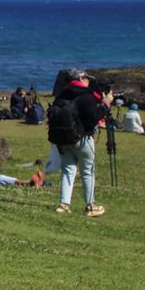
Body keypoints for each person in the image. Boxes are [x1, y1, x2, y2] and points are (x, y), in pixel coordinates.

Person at [51, 69, 112, 216]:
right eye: (87, 78)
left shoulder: (61, 95)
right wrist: (105, 104)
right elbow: (93, 117)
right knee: (88, 172)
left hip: (62, 138)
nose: (89, 81)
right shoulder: (85, 96)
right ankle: (90, 205)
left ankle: (64, 204)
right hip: (82, 138)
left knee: (68, 171)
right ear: (81, 78)